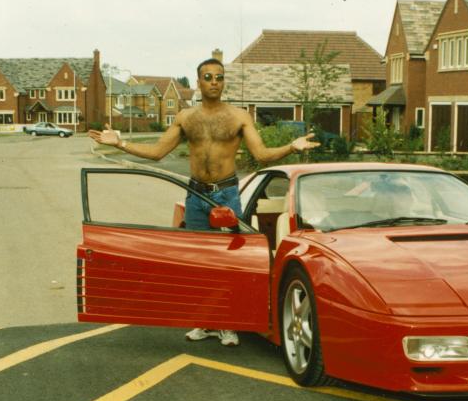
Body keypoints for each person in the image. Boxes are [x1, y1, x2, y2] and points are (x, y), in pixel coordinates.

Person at [89, 57, 319, 347]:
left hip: (226, 195)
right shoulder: (187, 117)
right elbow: (158, 151)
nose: (213, 82)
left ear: (224, 82)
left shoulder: (239, 116)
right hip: (196, 195)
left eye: (218, 77)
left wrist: (291, 147)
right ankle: (205, 321)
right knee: (198, 261)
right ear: (198, 82)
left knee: (228, 261)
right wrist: (120, 143)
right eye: (207, 77)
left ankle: (227, 324)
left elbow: (261, 154)